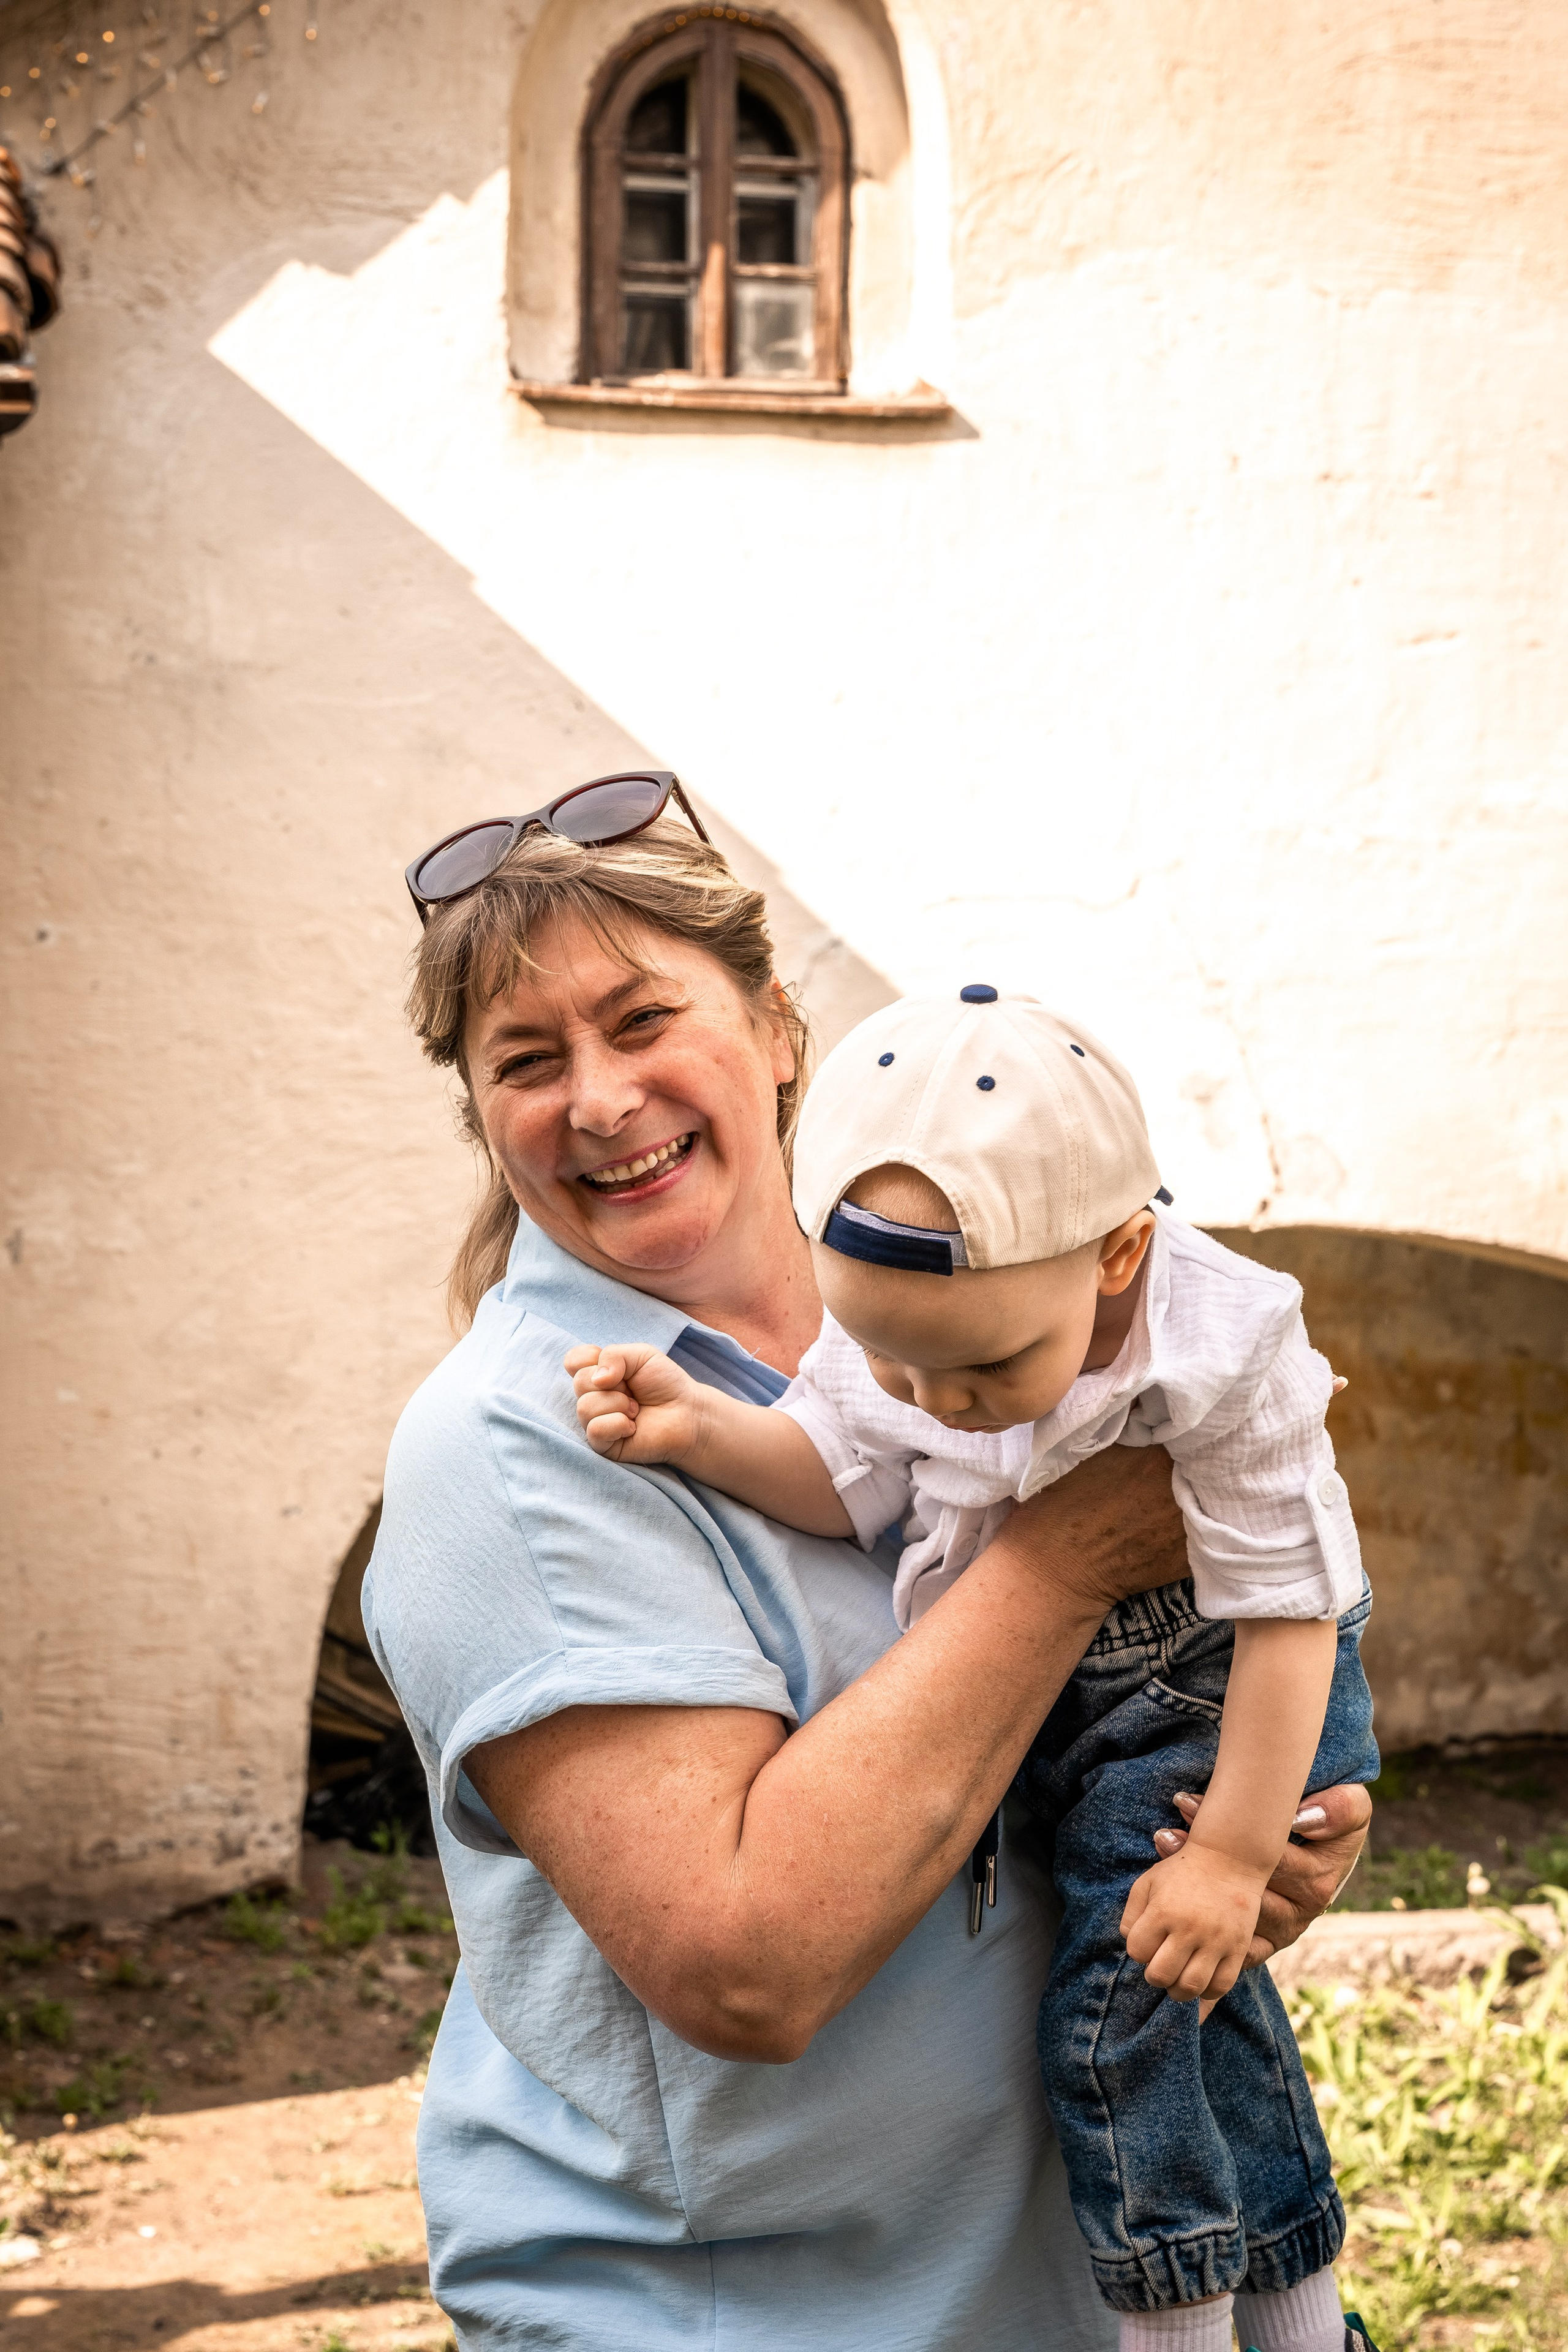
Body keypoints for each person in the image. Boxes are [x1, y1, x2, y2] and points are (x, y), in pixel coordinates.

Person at [364, 777, 1372, 2351]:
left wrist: (1224, 1832)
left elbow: (1058, 1751)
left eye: (642, 1021)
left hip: (1072, 2285)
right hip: (765, 2311)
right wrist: (1061, 1561)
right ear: (480, 1115)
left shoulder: (977, 1319)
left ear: (776, 1031)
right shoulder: (517, 1447)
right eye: (527, 1062)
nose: (603, 1098)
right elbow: (745, 1966)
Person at [571, 988, 1380, 2352]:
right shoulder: (910, 1336)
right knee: (1201, 2007)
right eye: (889, 1358)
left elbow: (1290, 1611)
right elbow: (847, 1479)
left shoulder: (1218, 1349)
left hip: (1215, 1679)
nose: (932, 1402)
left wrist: (1234, 1852)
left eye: (986, 1367)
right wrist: (705, 1432)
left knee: (1116, 2012)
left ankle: (1171, 2324)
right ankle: (1301, 2321)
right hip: (1082, 1693)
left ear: (1118, 1254)